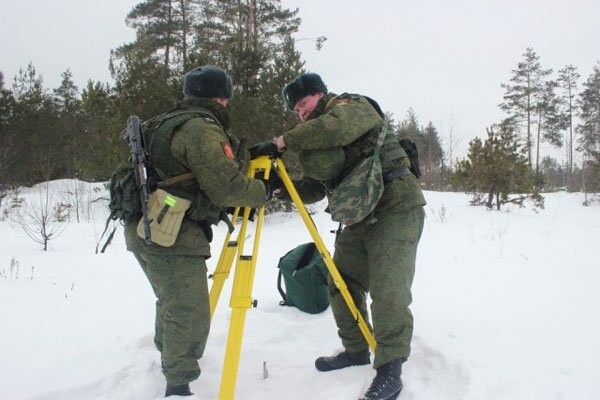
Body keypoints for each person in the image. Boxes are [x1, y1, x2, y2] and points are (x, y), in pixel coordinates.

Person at [269, 73, 426, 400]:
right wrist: (278, 187)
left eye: (303, 103)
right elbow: (314, 187)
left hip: (395, 206)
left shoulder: (351, 106)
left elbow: (334, 127)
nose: (301, 112)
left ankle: (390, 369)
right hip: (360, 215)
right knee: (341, 281)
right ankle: (355, 349)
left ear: (320, 94)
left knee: (388, 288)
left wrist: (282, 142)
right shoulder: (317, 144)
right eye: (296, 110)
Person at [124, 65, 272, 397]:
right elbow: (227, 187)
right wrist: (263, 191)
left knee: (171, 301)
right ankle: (178, 383)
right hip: (170, 233)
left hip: (144, 229)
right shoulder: (200, 129)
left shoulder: (164, 122)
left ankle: (168, 357)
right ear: (220, 98)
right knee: (189, 311)